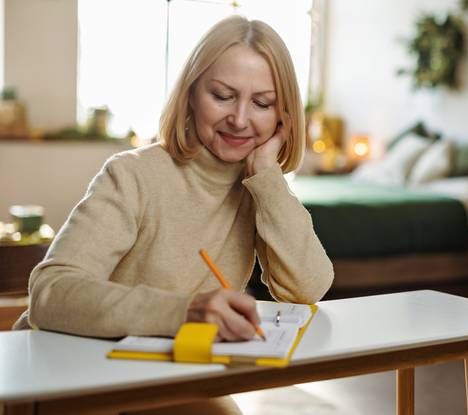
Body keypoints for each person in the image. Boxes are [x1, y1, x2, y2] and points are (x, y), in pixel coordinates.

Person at [14, 15, 334, 415]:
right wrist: (184, 313)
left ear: (283, 116)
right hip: (73, 374)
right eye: (222, 95)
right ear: (191, 94)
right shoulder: (132, 174)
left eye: (262, 103)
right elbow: (51, 293)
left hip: (170, 372)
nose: (239, 118)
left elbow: (309, 288)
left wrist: (268, 177)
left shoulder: (257, 186)